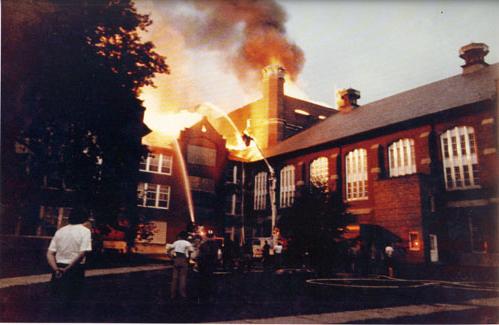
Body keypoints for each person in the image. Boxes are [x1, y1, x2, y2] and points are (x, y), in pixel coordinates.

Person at [46, 208, 92, 311]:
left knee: (56, 299)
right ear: (85, 218)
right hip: (75, 269)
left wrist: (56, 269)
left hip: (57, 267)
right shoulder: (85, 231)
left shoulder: (60, 231)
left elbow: (50, 253)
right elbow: (82, 253)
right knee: (72, 301)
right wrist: (67, 269)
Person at [167, 231, 194, 300]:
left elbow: (168, 249)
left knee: (174, 277)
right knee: (183, 277)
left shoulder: (176, 242)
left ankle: (172, 294)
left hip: (176, 259)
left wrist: (171, 257)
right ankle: (182, 293)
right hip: (184, 260)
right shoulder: (187, 243)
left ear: (179, 236)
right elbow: (191, 250)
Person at [197, 230, 220, 303]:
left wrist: (199, 264)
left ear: (206, 236)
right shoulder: (216, 245)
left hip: (203, 265)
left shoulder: (203, 245)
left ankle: (201, 296)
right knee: (211, 281)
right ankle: (210, 296)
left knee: (202, 281)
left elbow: (199, 255)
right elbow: (218, 256)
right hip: (211, 265)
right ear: (213, 236)